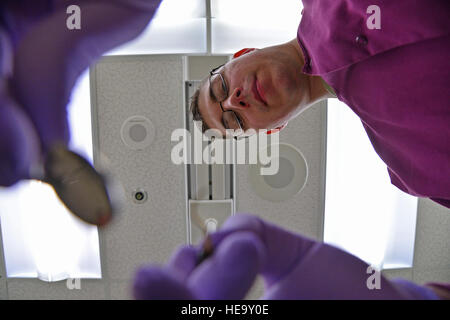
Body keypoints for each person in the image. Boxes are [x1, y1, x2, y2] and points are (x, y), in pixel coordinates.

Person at [190, 0, 450, 208]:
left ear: (243, 54)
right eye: (234, 121)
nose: (234, 100)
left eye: (221, 86)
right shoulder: (412, 167)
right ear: (272, 129)